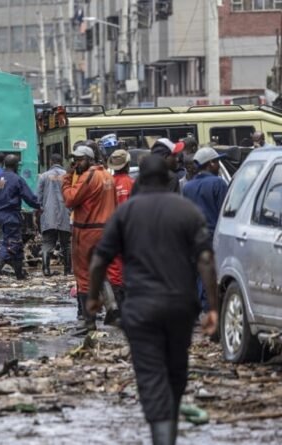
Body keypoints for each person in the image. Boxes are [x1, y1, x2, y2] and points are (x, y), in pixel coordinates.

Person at [87, 155, 219, 445]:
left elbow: (99, 261)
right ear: (168, 178)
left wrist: (93, 299)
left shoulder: (125, 213)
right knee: (176, 369)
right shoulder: (187, 211)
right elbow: (206, 260)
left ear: (141, 180)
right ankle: (168, 432)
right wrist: (213, 308)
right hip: (180, 307)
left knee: (150, 373)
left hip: (141, 309)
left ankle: (163, 436)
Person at [62, 144, 117, 335]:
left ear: (89, 159)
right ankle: (111, 307)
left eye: (79, 160)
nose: (76, 164)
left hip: (87, 231)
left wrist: (67, 178)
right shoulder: (107, 176)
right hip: (105, 229)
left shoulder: (88, 176)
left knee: (84, 277)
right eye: (75, 160)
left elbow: (70, 199)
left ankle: (88, 321)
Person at [182, 147, 229, 312]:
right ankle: (209, 311)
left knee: (196, 276)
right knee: (209, 275)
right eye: (217, 162)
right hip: (212, 236)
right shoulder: (218, 183)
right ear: (211, 163)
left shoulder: (187, 187)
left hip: (192, 238)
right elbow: (225, 213)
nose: (218, 165)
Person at [0, 154, 41, 283]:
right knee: (11, 245)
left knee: (17, 245)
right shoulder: (17, 179)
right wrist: (39, 205)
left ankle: (19, 274)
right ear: (16, 165)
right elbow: (29, 197)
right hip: (11, 215)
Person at [104, 149, 135, 324]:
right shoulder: (131, 183)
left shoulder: (107, 183)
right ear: (128, 165)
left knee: (114, 270)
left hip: (109, 230)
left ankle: (115, 307)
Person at [36, 153, 71, 276]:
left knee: (47, 244)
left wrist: (38, 212)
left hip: (48, 214)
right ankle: (67, 270)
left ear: (51, 162)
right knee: (66, 244)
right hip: (65, 213)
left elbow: (38, 198)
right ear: (61, 162)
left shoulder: (43, 176)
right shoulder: (67, 175)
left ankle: (46, 269)